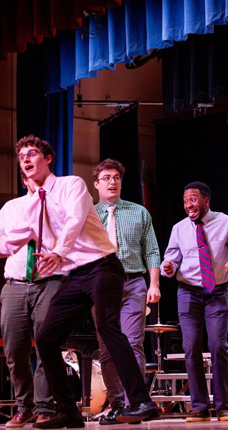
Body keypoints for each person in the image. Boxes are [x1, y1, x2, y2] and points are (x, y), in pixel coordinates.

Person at [0, 135, 159, 428]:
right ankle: (69, 413)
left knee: (108, 328)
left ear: (47, 159)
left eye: (32, 154)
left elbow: (73, 220)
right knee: (46, 339)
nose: (26, 160)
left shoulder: (72, 185)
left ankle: (142, 402)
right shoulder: (33, 207)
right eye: (22, 157)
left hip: (103, 267)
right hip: (76, 276)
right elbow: (7, 244)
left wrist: (58, 252)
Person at [161, 182, 228, 422]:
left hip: (216, 291)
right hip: (188, 292)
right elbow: (171, 257)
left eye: (193, 199)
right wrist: (168, 267)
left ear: (206, 201)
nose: (188, 205)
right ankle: (199, 406)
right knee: (191, 348)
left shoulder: (225, 222)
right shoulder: (179, 228)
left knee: (218, 346)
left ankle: (223, 406)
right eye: (185, 201)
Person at [0, 177, 64, 428]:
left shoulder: (59, 206)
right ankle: (23, 407)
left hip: (48, 283)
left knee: (45, 348)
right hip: (15, 285)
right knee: (15, 351)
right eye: (28, 176)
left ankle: (45, 408)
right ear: (23, 180)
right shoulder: (11, 208)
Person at [91, 159, 161, 425]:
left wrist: (154, 284)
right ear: (96, 184)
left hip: (133, 282)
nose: (112, 182)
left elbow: (152, 250)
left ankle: (137, 401)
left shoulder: (139, 212)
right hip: (100, 285)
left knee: (133, 342)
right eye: (107, 177)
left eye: (117, 177)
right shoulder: (89, 214)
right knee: (107, 347)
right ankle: (117, 404)